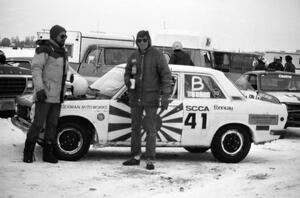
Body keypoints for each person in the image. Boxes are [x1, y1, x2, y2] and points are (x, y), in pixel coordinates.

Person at [123, 30, 172, 170]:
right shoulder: (133, 56)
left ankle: (150, 159)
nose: (142, 42)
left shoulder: (157, 55)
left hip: (151, 99)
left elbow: (166, 76)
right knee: (135, 129)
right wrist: (128, 82)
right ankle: (135, 157)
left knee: (151, 130)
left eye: (144, 40)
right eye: (139, 40)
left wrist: (165, 96)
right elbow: (127, 72)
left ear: (149, 40)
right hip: (135, 98)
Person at [23, 25, 69, 163]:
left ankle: (48, 154)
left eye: (66, 36)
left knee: (52, 125)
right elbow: (36, 69)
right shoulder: (44, 49)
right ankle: (28, 153)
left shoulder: (63, 52)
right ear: (54, 36)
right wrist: (40, 89)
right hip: (45, 95)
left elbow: (63, 75)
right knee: (37, 124)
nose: (65, 38)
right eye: (62, 36)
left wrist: (64, 92)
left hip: (57, 97)